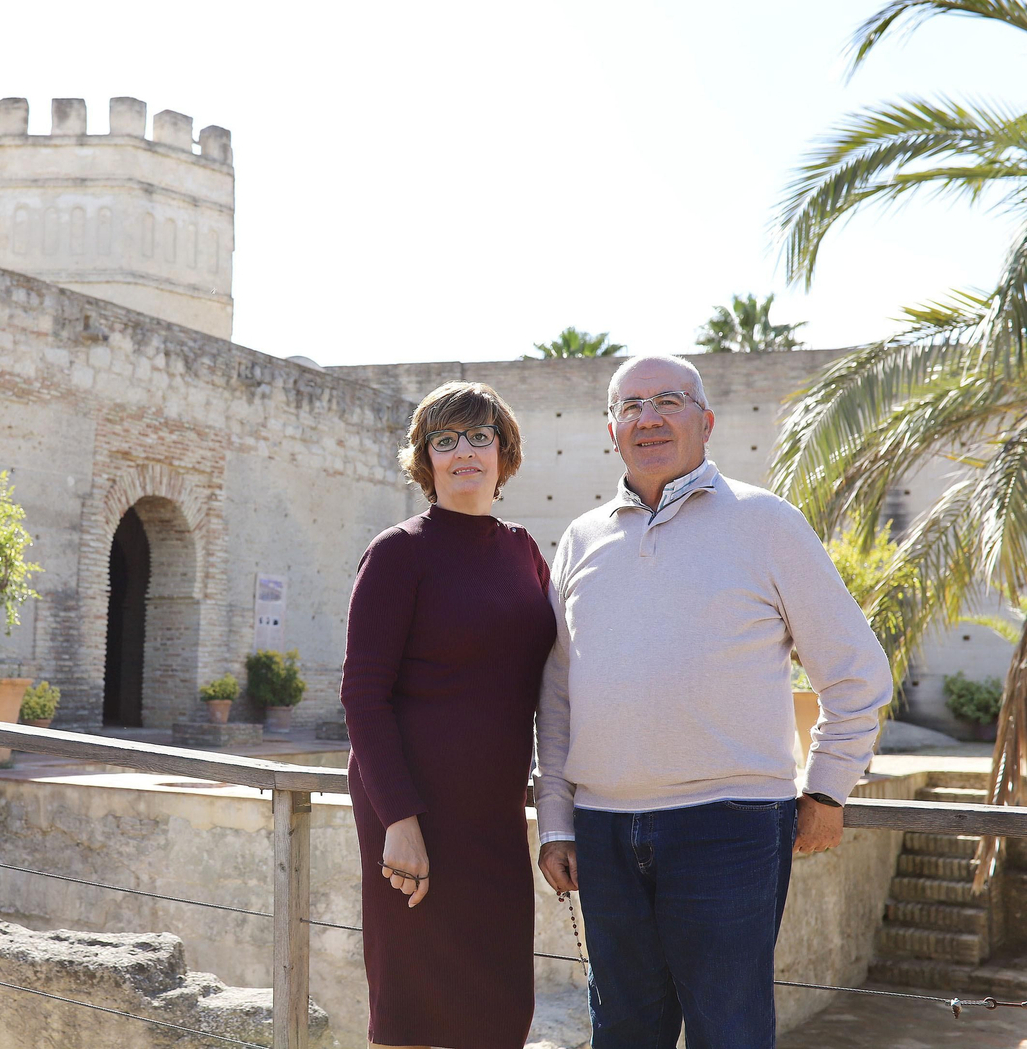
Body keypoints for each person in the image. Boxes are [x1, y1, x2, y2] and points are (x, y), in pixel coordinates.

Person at [534, 355, 893, 1049]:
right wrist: (556, 819)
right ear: (612, 429)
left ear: (707, 420)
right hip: (603, 830)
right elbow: (556, 693)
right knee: (622, 1033)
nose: (649, 416)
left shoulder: (767, 522)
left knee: (729, 1034)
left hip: (730, 829)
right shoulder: (581, 538)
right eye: (632, 405)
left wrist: (827, 786)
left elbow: (855, 671)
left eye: (669, 399)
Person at [342, 380, 556, 1049]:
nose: (464, 451)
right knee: (409, 1011)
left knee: (498, 1011)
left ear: (504, 451)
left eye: (479, 436)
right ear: (425, 458)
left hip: (493, 816)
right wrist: (399, 820)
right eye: (445, 439)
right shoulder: (398, 551)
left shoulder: (524, 551)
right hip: (413, 813)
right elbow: (362, 695)